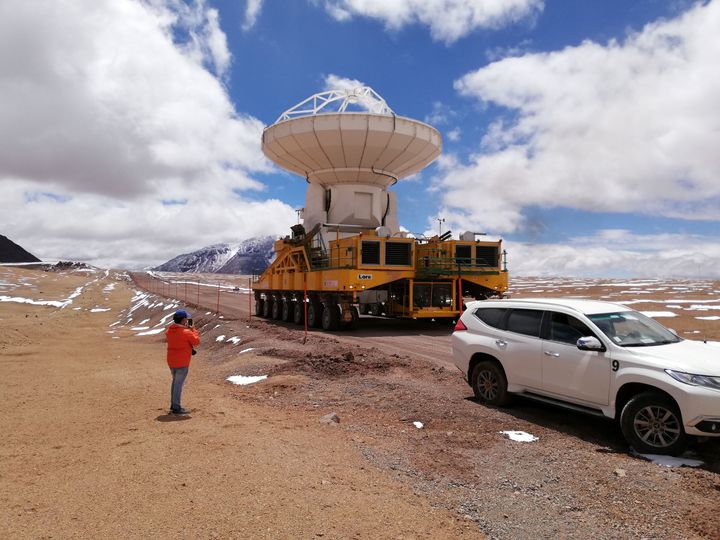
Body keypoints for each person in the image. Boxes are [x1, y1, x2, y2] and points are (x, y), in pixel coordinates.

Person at [165, 309, 200, 414]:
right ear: (184, 320)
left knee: (175, 382)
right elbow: (196, 341)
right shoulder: (186, 332)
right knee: (178, 384)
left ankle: (173, 404)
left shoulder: (170, 330)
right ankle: (176, 407)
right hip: (182, 361)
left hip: (172, 360)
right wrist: (193, 329)